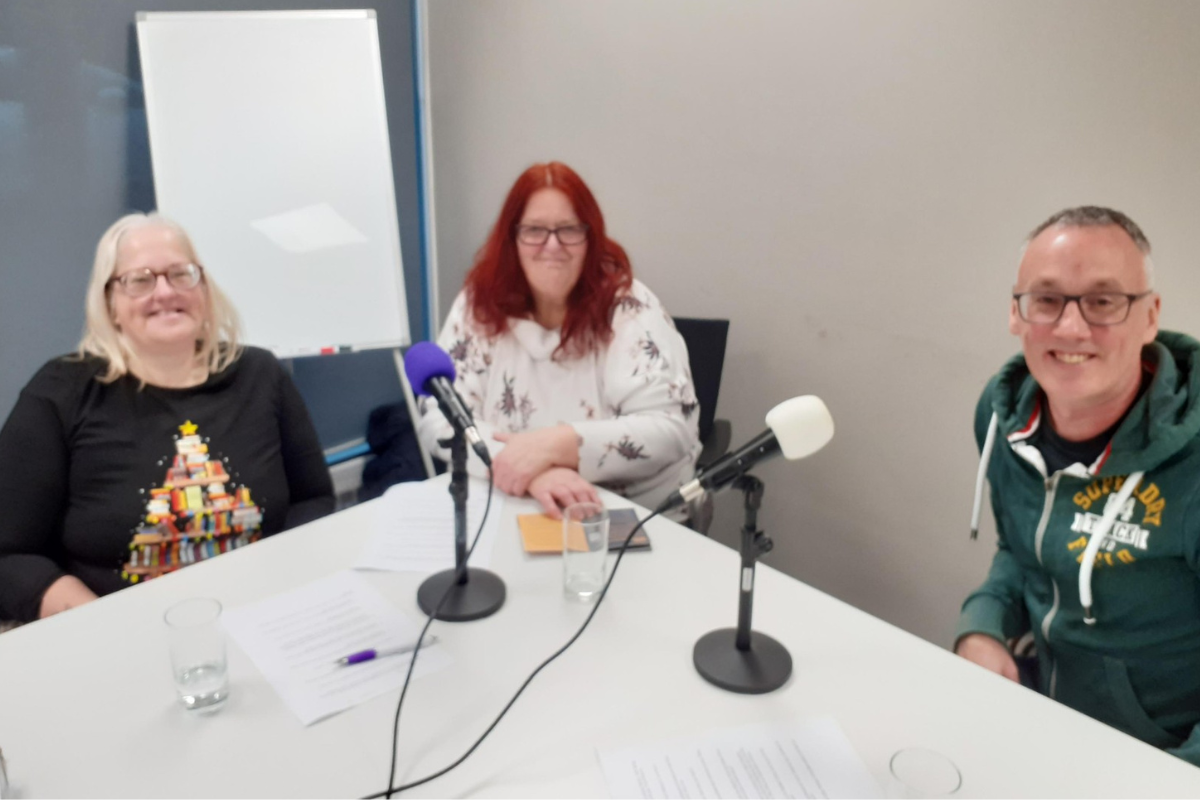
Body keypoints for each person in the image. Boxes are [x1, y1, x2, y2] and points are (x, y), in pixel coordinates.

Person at [0, 213, 334, 624]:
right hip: (118, 639)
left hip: (262, 619)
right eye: (139, 280)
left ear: (205, 289)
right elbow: (9, 555)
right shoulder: (61, 393)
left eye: (181, 274)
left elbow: (313, 499)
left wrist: (280, 588)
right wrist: (100, 626)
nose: (164, 291)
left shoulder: (261, 375)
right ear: (110, 304)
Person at [956, 206, 1200, 765]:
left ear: (1150, 315)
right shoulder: (1001, 418)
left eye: (1103, 300)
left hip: (1158, 762)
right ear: (1015, 314)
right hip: (1043, 727)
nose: (1070, 328)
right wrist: (984, 626)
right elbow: (1022, 552)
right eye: (1046, 299)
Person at [417, 162, 701, 518]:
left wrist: (555, 445)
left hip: (626, 514)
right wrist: (531, 472)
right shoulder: (480, 305)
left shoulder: (629, 308)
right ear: (512, 237)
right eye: (534, 230)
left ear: (590, 236)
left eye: (568, 229)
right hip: (509, 500)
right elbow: (439, 415)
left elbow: (670, 429)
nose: (552, 245)